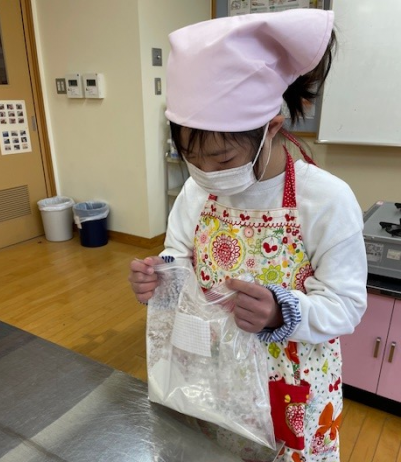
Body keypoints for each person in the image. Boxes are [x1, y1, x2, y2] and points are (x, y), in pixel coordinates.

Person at [129, 8, 367, 462]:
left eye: (221, 160)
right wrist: (160, 277)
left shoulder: (325, 200)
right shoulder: (197, 191)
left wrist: (281, 311)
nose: (206, 173)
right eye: (192, 158)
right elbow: (178, 255)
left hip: (291, 391)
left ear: (271, 129)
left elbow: (347, 305)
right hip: (211, 378)